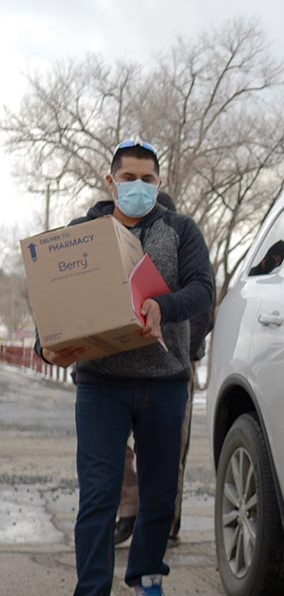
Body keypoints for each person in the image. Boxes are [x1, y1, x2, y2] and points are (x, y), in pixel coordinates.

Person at [36, 140, 215, 596]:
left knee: (158, 496)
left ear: (159, 183)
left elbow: (202, 290)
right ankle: (92, 588)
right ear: (110, 182)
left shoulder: (180, 230)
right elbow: (55, 299)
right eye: (129, 178)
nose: (139, 186)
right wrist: (44, 346)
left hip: (165, 385)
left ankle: (146, 578)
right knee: (98, 496)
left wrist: (163, 306)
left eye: (148, 179)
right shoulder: (83, 232)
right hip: (101, 387)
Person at [114, 190, 215, 549]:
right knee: (118, 449)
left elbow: (202, 309)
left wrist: (176, 353)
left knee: (172, 451)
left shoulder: (184, 247)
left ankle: (166, 523)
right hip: (125, 367)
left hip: (177, 364)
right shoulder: (125, 254)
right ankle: (129, 507)